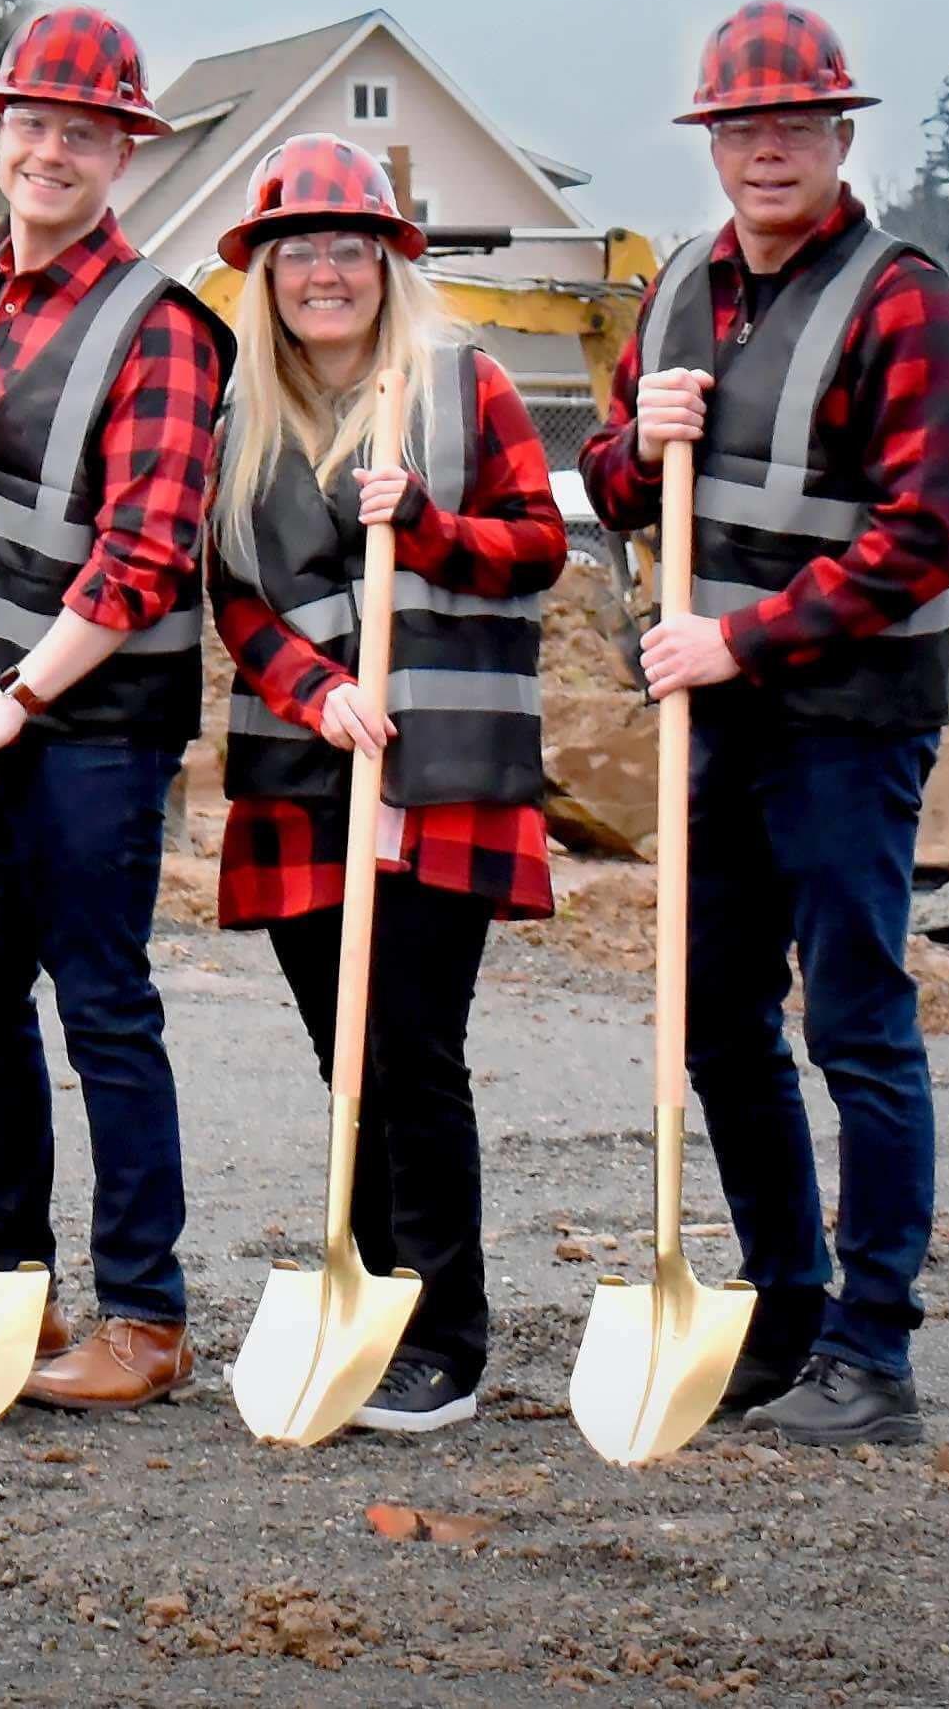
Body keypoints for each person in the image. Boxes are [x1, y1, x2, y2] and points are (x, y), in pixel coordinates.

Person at [581, 0, 949, 1449]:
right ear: (712, 142)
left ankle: (874, 1356)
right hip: (723, 716)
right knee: (714, 1018)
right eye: (740, 130)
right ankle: (786, 1308)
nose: (765, 152)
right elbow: (610, 481)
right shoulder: (680, 285)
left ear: (839, 135)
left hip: (847, 717)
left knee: (858, 1022)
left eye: (792, 128)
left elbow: (927, 534)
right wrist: (642, 445)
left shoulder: (903, 297)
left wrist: (737, 638)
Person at [0, 8, 230, 1413]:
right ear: (2, 134)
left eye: (84, 132)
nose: (52, 150)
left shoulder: (160, 328)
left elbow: (142, 556)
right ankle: (12, 1289)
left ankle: (145, 1316)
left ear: (124, 153)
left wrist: (13, 702)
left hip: (87, 725)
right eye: (33, 125)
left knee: (103, 1007)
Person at [198, 137, 564, 1436]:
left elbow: (539, 550)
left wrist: (431, 526)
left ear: (388, 262)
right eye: (301, 254)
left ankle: (446, 1339)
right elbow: (232, 597)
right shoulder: (242, 415)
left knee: (414, 1053)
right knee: (342, 1060)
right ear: (269, 274)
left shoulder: (466, 385)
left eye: (350, 249)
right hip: (307, 783)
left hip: (444, 782)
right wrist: (314, 686)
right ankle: (371, 1298)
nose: (326, 274)